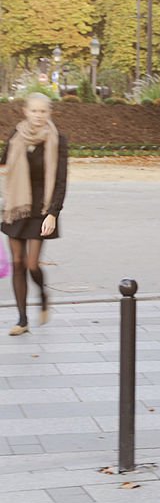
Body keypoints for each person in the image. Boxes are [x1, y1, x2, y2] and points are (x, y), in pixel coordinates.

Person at [1, 93, 68, 336]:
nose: (39, 116)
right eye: (34, 111)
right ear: (25, 112)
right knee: (17, 263)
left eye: (43, 112)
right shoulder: (16, 136)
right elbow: (4, 164)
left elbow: (61, 181)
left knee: (31, 264)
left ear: (49, 113)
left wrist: (53, 214)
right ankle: (22, 319)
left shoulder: (57, 139)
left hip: (41, 208)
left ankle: (43, 293)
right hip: (17, 206)